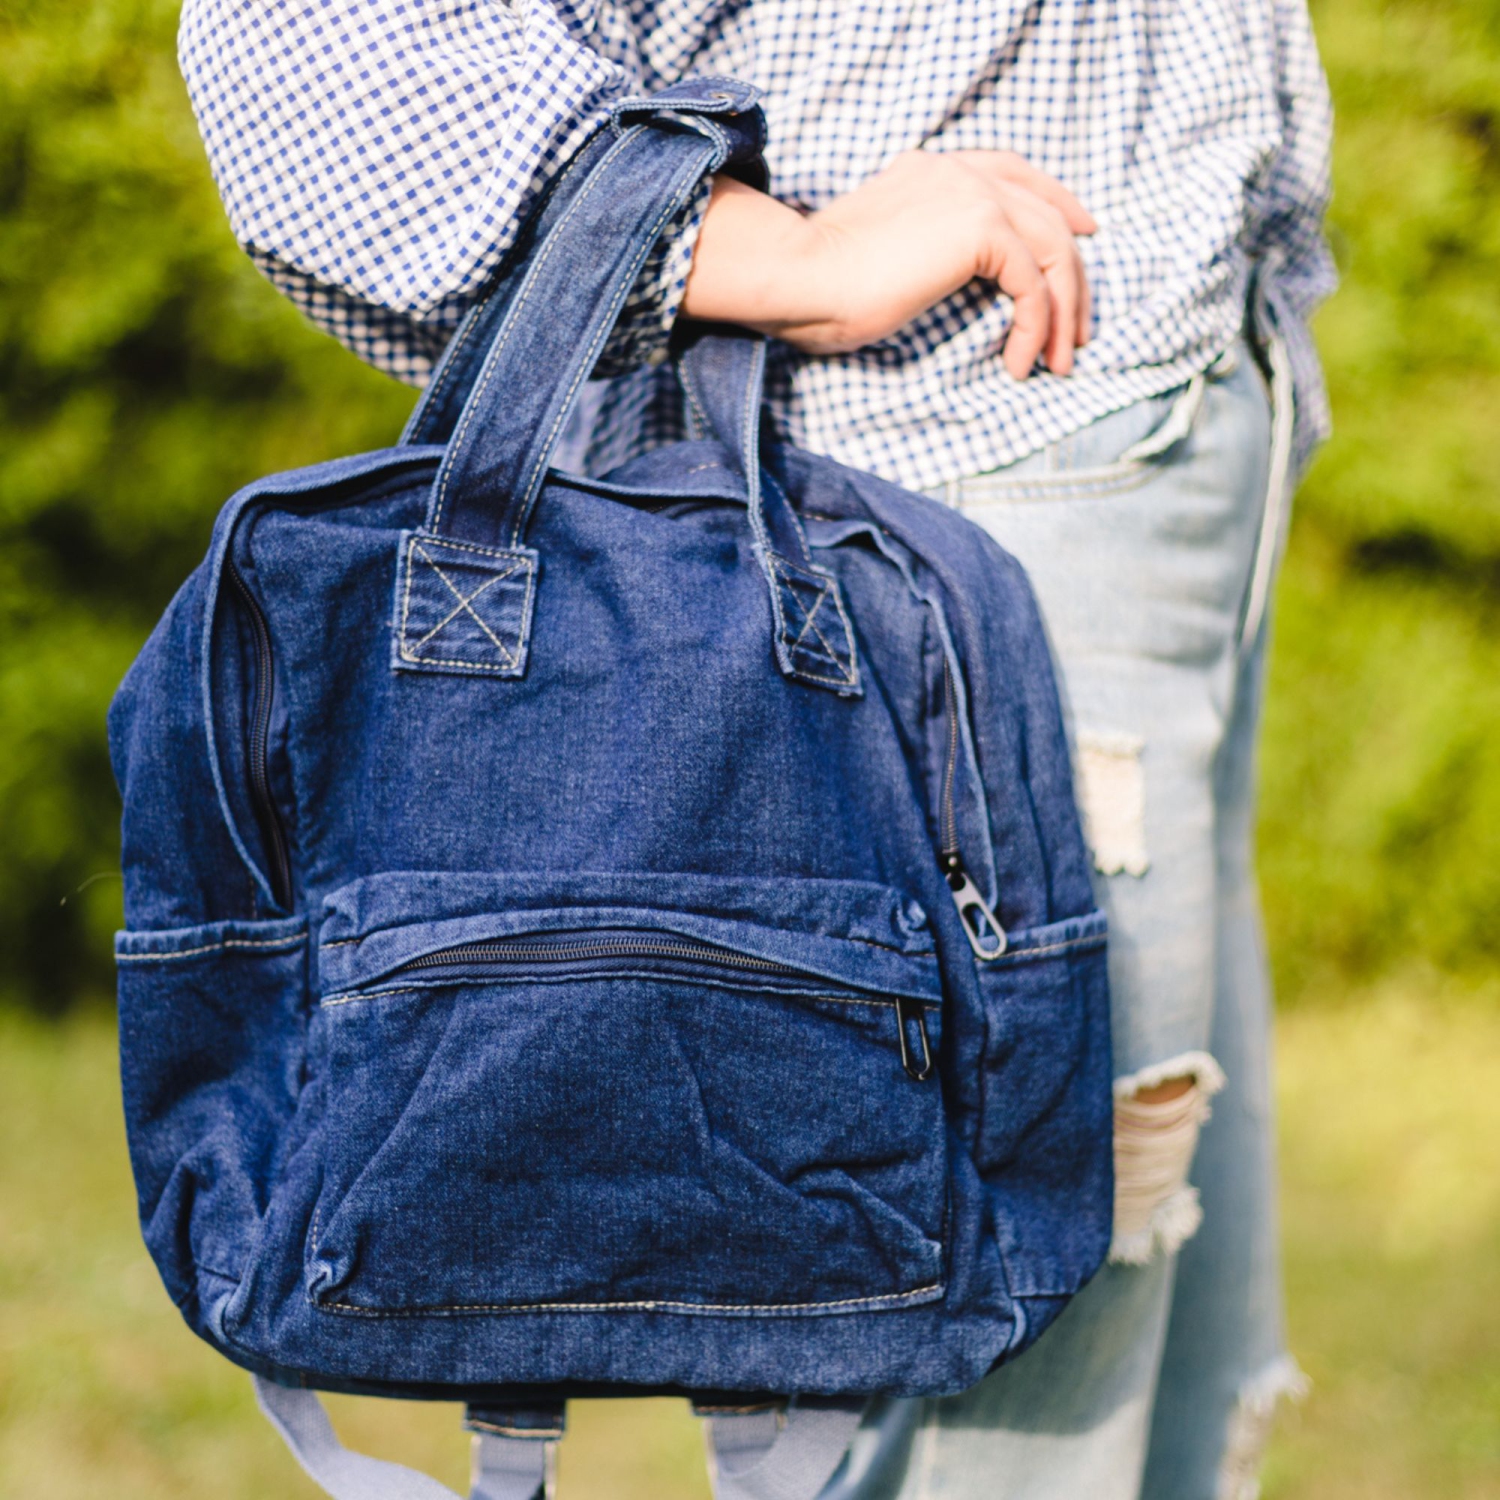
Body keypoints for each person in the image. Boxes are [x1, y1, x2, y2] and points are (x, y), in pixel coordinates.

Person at [175, 1, 1334, 1495]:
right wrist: (776, 255)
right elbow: (319, 42)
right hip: (945, 513)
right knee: (1015, 1413)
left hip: (1155, 461)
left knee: (1146, 1378)